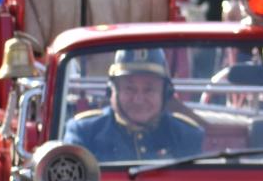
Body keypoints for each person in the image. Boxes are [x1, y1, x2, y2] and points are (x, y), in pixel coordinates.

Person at [63, 48, 205, 162]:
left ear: (165, 93)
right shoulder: (85, 133)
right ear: (112, 91)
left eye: (149, 90)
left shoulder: (186, 135)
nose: (138, 99)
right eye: (129, 89)